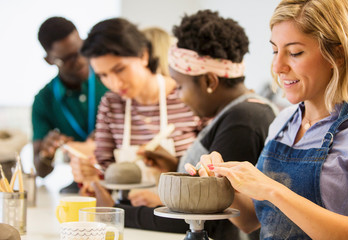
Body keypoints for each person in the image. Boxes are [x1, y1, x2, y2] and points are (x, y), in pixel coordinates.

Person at [90, 10, 277, 240]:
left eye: (179, 86)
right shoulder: (235, 114)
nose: (178, 95)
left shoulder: (242, 122)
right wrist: (174, 165)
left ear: (209, 81)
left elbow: (212, 218)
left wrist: (118, 214)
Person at [189, 0, 348, 239]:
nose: (278, 66)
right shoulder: (283, 123)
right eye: (274, 51)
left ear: (338, 55)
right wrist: (219, 184)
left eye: (295, 53)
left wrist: (272, 189)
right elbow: (251, 220)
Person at [69, 18, 199, 195]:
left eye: (119, 69)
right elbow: (104, 169)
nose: (114, 83)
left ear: (143, 55)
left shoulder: (187, 97)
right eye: (103, 75)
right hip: (128, 215)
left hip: (182, 214)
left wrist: (174, 167)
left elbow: (210, 172)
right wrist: (90, 174)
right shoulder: (111, 104)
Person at [33, 16, 108, 193]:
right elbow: (41, 171)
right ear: (49, 60)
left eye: (82, 50)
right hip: (82, 180)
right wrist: (46, 153)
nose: (81, 60)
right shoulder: (44, 99)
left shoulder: (108, 77)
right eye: (68, 59)